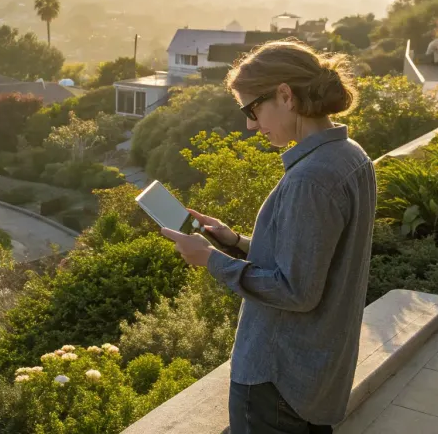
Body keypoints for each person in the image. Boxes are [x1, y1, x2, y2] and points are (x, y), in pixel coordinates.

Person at [159, 40, 376, 434]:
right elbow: (314, 256)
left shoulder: (310, 178)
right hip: (316, 372)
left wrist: (210, 259)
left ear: (285, 95)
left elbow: (296, 291)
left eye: (252, 109)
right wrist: (234, 242)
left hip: (277, 379)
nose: (250, 125)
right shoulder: (351, 156)